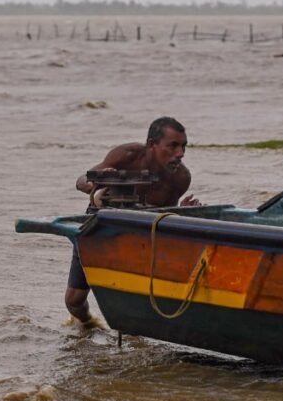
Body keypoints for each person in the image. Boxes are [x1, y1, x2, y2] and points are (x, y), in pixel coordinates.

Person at [66, 116, 201, 323]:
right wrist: (100, 180)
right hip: (99, 226)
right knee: (74, 301)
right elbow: (81, 181)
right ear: (151, 145)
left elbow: (166, 218)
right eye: (173, 146)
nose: (180, 154)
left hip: (139, 237)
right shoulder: (127, 155)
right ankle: (88, 325)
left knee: (134, 296)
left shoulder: (180, 178)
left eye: (184, 147)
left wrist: (184, 213)